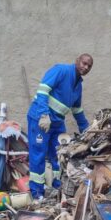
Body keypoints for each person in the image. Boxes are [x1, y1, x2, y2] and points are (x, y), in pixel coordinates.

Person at [27, 54, 92, 199]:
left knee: (60, 154)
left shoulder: (78, 85)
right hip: (41, 120)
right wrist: (44, 115)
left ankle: (57, 184)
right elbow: (43, 89)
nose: (85, 67)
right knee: (38, 154)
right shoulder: (61, 70)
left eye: (89, 66)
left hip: (57, 123)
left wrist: (87, 130)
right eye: (84, 63)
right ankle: (36, 191)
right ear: (77, 61)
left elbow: (77, 110)